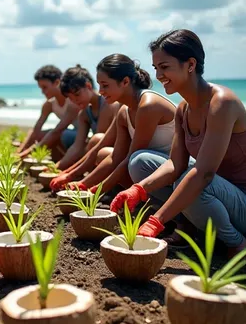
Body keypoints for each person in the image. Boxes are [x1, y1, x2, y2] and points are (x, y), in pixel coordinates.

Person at [110, 30, 246, 256]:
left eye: (165, 67)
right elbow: (175, 163)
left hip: (240, 201)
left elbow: (204, 173)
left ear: (190, 64)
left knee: (194, 178)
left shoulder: (222, 102)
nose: (159, 75)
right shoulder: (183, 108)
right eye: (156, 68)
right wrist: (138, 189)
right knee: (140, 162)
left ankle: (236, 243)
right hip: (216, 196)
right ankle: (191, 224)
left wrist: (156, 221)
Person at [60, 55, 176, 195]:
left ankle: (154, 204)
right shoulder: (124, 112)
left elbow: (129, 157)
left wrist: (95, 191)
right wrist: (82, 184)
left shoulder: (148, 105)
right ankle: (144, 202)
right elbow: (116, 157)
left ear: (125, 81)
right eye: (100, 85)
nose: (101, 91)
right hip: (150, 169)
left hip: (175, 172)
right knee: (106, 155)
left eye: (105, 85)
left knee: (136, 160)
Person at [48, 65, 119, 189]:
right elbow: (77, 146)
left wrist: (69, 173)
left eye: (77, 94)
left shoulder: (109, 105)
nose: (75, 100)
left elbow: (100, 144)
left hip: (115, 157)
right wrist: (57, 167)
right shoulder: (84, 113)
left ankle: (103, 186)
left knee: (96, 140)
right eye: (70, 98)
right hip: (100, 156)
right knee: (83, 144)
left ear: (88, 86)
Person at [19, 65, 78, 156]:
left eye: (45, 87)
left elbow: (58, 131)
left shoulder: (71, 101)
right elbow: (36, 130)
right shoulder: (49, 104)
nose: (42, 92)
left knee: (57, 134)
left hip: (83, 136)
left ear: (57, 83)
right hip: (69, 134)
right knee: (39, 134)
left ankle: (64, 161)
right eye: (41, 88)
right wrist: (20, 151)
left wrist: (26, 153)